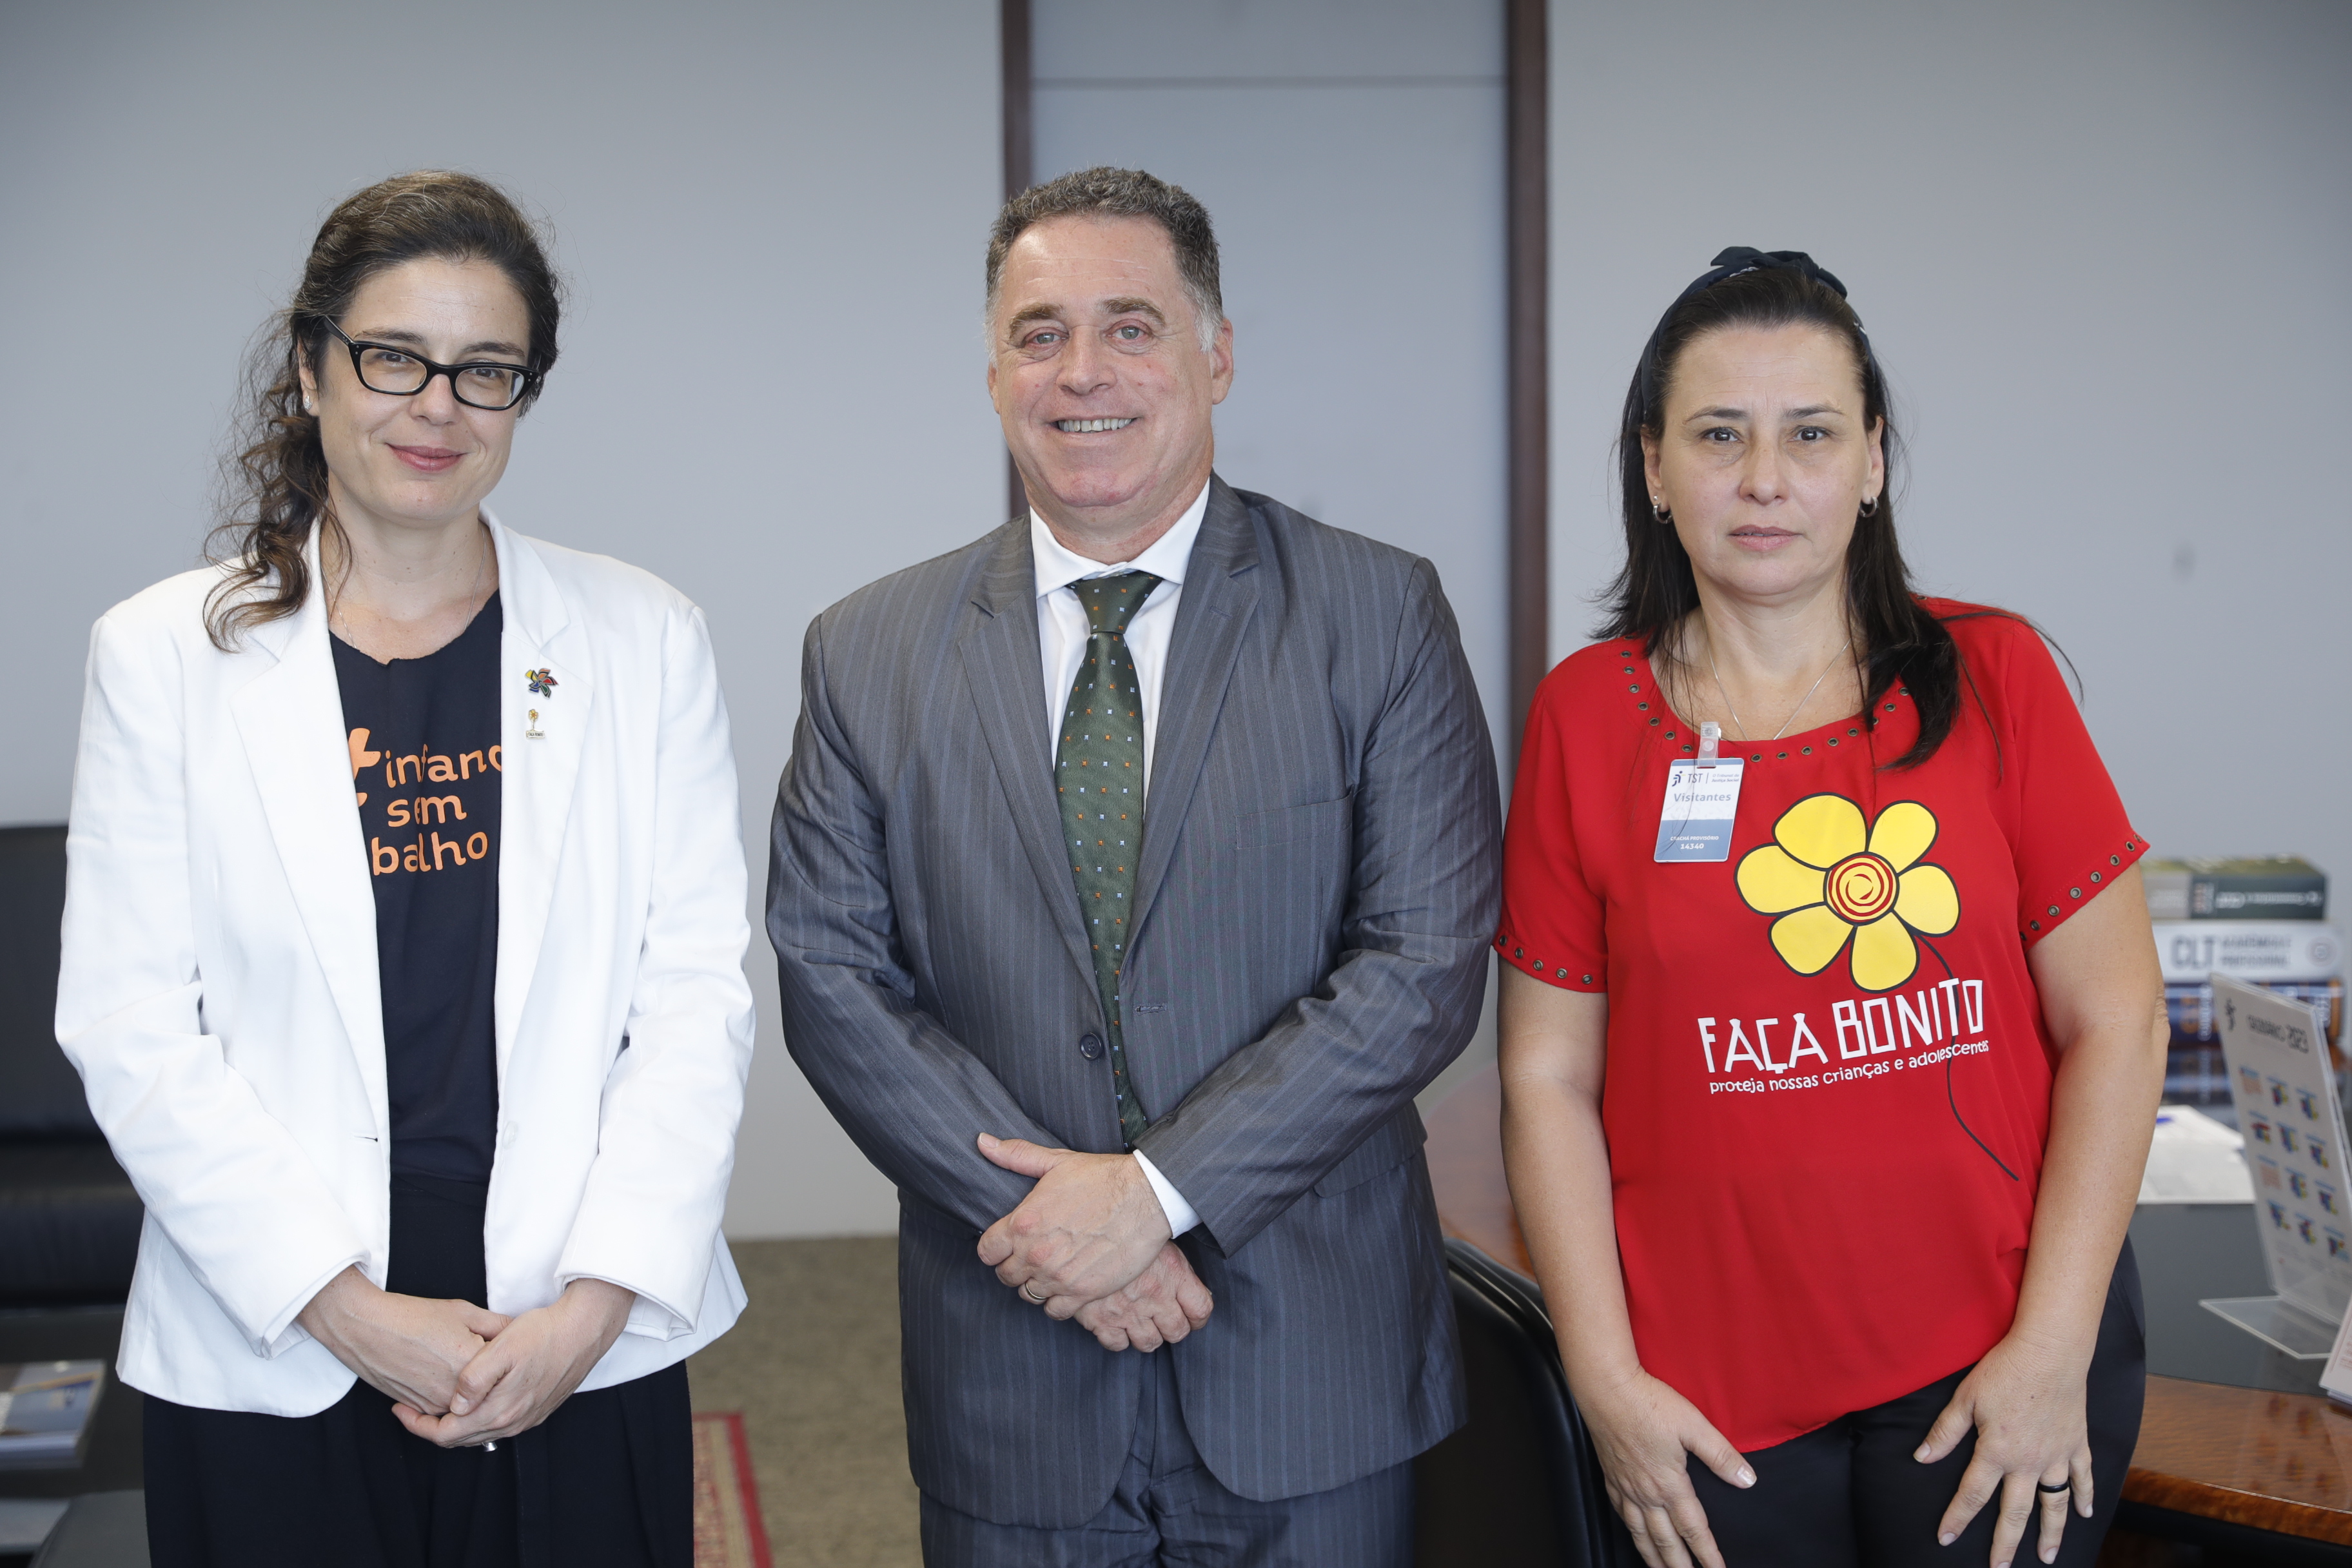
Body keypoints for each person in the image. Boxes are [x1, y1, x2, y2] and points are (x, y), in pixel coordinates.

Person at [767, 166, 1499, 1565]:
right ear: (993, 372)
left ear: (1216, 354)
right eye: (1040, 333)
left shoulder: (1377, 613)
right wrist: (1057, 1230)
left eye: (1132, 325)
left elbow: (1420, 966)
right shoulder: (867, 650)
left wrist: (1156, 1197)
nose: (1083, 371)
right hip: (1012, 1364)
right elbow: (835, 982)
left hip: (1308, 1365)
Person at [55, 170, 754, 1567]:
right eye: (393, 358)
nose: (437, 405)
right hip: (283, 1325)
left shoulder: (641, 636)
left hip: (563, 1326)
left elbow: (695, 996)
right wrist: (343, 1306)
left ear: (520, 398)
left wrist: (595, 1305)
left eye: (484, 371)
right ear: (312, 368)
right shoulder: (162, 653)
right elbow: (130, 1023)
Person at [1495, 249, 2165, 1568]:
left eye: (1810, 433)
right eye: (1718, 435)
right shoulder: (1585, 718)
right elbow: (1545, 1075)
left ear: (1869, 462)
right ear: (1652, 467)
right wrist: (1606, 1380)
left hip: (1995, 1364)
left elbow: (2121, 1023)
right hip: (1708, 1396)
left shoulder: (1996, 675)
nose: (1764, 479)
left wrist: (2052, 1349)